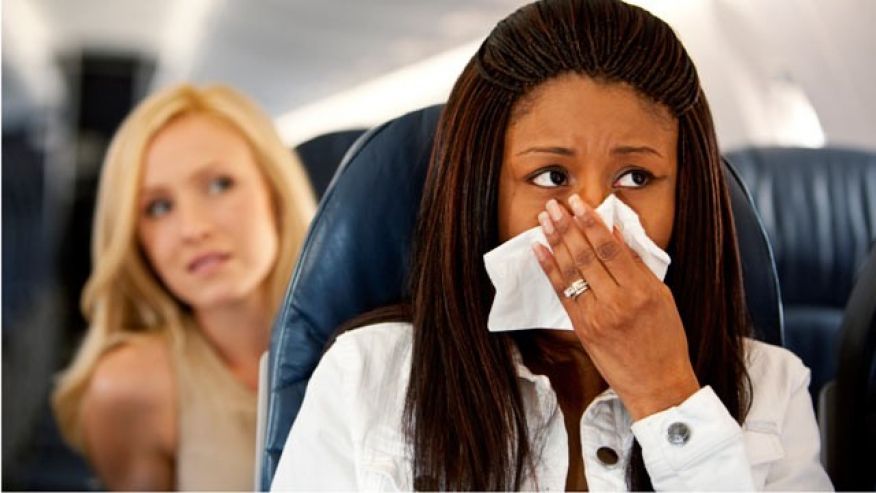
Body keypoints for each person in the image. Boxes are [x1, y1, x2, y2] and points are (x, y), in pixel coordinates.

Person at [272, 0, 833, 490]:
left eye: (636, 178)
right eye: (550, 177)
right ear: (483, 196)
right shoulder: (368, 375)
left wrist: (667, 396)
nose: (596, 221)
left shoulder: (770, 388)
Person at [52, 83, 316, 491]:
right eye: (158, 207)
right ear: (136, 238)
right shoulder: (129, 388)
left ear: (274, 191)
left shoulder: (373, 347)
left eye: (219, 185)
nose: (192, 229)